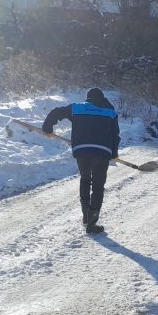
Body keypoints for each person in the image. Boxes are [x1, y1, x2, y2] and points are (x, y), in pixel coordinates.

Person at [42, 88, 120, 235]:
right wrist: (113, 153)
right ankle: (92, 223)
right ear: (103, 99)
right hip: (102, 152)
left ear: (88, 99)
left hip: (82, 150)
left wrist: (47, 128)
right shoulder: (111, 112)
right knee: (98, 187)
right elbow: (115, 136)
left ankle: (86, 216)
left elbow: (56, 112)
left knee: (85, 180)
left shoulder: (77, 108)